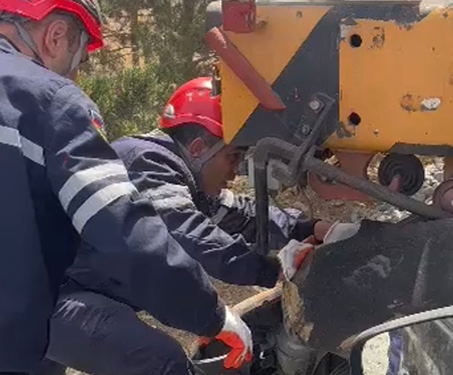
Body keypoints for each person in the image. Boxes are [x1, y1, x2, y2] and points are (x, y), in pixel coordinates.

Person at [0, 0, 251, 374]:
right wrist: (210, 314)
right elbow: (126, 233)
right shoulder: (46, 98)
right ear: (55, 35)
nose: (76, 76)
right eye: (80, 59)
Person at [36, 77, 333, 375]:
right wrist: (273, 269)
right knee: (162, 364)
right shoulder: (147, 162)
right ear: (198, 148)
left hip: (55, 296)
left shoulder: (180, 176)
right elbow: (191, 236)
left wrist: (310, 228)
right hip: (54, 299)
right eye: (233, 157)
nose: (235, 172)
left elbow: (241, 214)